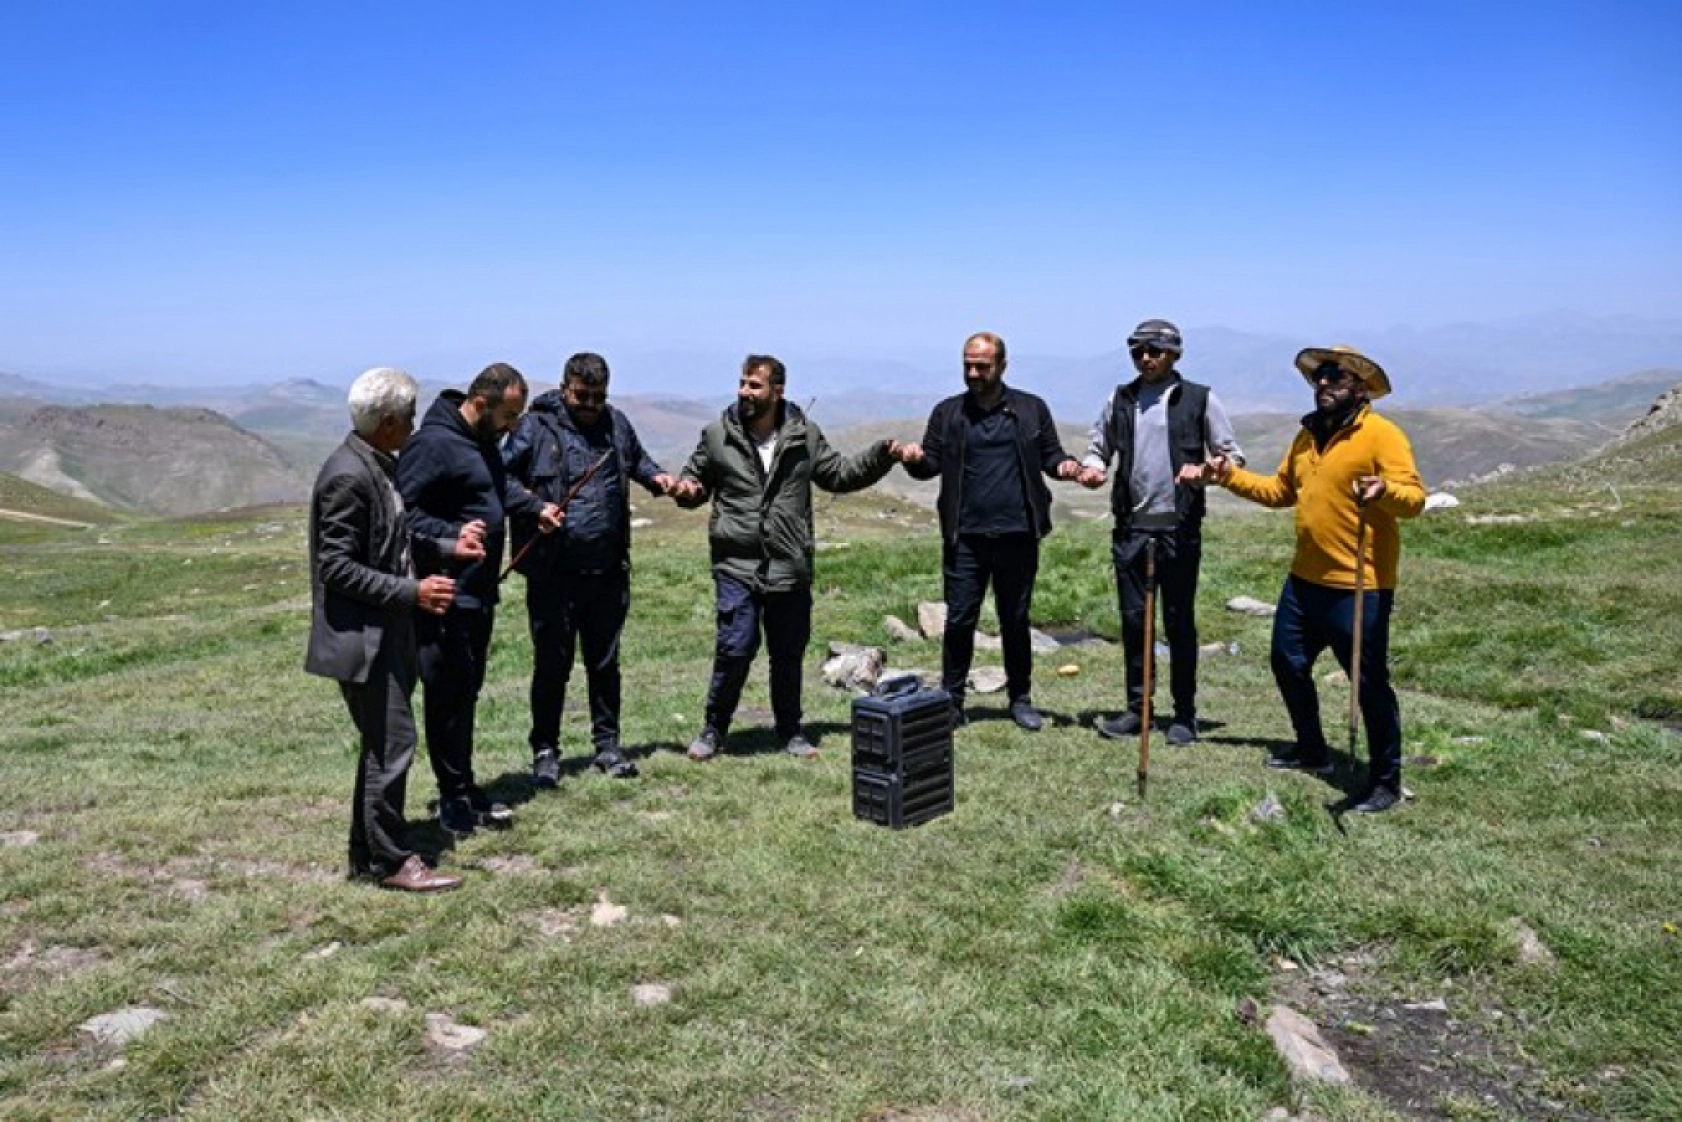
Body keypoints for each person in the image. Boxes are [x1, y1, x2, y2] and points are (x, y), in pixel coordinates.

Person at [1203, 345, 1426, 813]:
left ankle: (1386, 780)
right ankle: (1312, 749)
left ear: (1361, 388)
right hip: (1304, 581)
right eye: (1319, 377)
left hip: (1359, 586)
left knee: (1368, 684)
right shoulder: (1306, 437)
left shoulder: (1382, 436)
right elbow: (1280, 491)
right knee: (1287, 663)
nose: (1324, 384)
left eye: (1336, 377)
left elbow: (1415, 500)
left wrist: (1384, 490)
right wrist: (1228, 476)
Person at [671, 354, 907, 760]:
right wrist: (687, 490)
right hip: (736, 563)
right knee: (736, 646)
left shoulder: (804, 437)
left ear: (777, 391)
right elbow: (695, 479)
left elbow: (840, 474)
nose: (744, 392)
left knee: (788, 652)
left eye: (754, 386)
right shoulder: (717, 435)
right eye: (742, 383)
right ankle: (713, 730)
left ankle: (791, 731)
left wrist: (882, 455)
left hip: (788, 564)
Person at [305, 367, 478, 892]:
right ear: (386, 423)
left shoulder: (378, 465)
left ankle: (368, 855)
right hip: (365, 641)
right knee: (394, 743)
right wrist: (413, 592)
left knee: (383, 744)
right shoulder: (348, 476)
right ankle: (391, 862)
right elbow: (335, 567)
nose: (413, 425)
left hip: (385, 634)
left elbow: (395, 542)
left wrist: (448, 550)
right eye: (407, 416)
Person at [397, 362, 561, 835]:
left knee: (465, 692)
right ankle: (451, 797)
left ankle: (465, 786)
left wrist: (533, 507)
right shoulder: (432, 444)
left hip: (478, 593)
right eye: (509, 416)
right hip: (445, 594)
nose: (513, 428)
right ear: (481, 404)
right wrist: (450, 535)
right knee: (447, 695)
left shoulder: (481, 442)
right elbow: (401, 514)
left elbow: (494, 487)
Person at [502, 352, 675, 786]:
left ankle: (608, 746)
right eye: (583, 396)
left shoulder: (616, 424)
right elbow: (497, 477)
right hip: (553, 573)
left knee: (605, 663)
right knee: (552, 665)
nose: (591, 405)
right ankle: (545, 751)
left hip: (607, 571)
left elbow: (639, 463)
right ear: (565, 388)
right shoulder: (534, 427)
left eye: (599, 397)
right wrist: (534, 506)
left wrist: (662, 481)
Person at [898, 331, 1081, 730]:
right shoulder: (948, 413)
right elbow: (930, 464)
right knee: (960, 619)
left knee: (1015, 619)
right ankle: (952, 700)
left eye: (982, 365)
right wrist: (912, 460)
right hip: (965, 536)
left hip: (1019, 533)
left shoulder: (1031, 409)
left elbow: (1051, 456)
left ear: (1002, 366)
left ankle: (1021, 699)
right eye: (967, 364)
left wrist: (1067, 466)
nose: (973, 372)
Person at [1076, 319, 1246, 745]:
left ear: (1174, 354)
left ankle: (1184, 715)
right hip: (1131, 529)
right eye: (1138, 351)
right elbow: (1099, 447)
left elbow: (1231, 457)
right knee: (1135, 623)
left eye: (1154, 350)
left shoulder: (1200, 400)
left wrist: (1210, 471)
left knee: (1178, 622)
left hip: (1180, 528)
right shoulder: (1120, 397)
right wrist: (1093, 469)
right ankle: (1139, 710)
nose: (1146, 358)